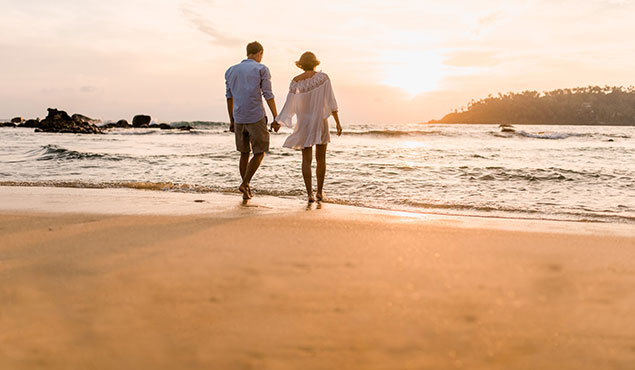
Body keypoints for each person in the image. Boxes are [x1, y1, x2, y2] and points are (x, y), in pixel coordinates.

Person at [276, 51, 342, 202]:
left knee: (306, 160)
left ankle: (309, 194)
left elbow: (289, 104)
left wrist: (278, 121)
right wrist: (337, 122)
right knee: (321, 158)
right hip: (320, 121)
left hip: (304, 122)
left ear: (301, 64)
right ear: (315, 62)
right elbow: (331, 100)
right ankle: (319, 192)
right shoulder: (323, 78)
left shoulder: (295, 81)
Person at [225, 41, 281, 199]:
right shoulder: (261, 69)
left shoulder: (230, 70)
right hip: (255, 116)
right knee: (260, 152)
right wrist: (276, 117)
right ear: (260, 53)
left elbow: (229, 98)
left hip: (239, 117)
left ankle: (246, 190)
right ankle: (245, 183)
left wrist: (231, 121)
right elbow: (268, 94)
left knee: (244, 153)